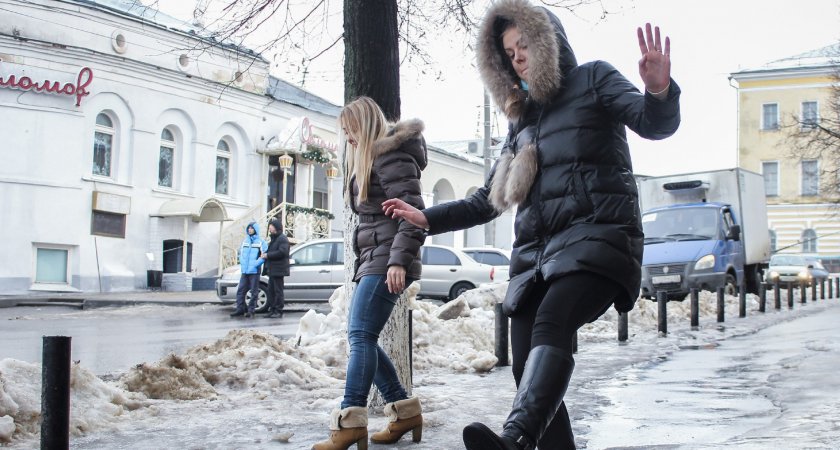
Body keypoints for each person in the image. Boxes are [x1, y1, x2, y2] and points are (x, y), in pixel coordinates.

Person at [383, 1, 681, 448]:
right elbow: (488, 200)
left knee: (552, 322)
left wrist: (658, 92)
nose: (518, 57)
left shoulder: (593, 79)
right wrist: (427, 217)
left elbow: (652, 123)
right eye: (508, 52)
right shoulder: (521, 121)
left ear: (548, 42)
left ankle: (516, 439)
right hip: (535, 261)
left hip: (597, 240)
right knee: (526, 368)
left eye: (524, 44)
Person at [312, 96, 427, 450]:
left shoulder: (391, 157)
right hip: (376, 258)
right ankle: (404, 412)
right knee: (364, 337)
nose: (348, 137)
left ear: (365, 125)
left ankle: (350, 420)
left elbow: (413, 213)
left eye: (351, 130)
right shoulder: (372, 158)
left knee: (360, 336)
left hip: (387, 259)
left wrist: (398, 261)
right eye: (344, 131)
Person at [230, 221, 267, 318]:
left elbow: (263, 256)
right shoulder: (245, 241)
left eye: (252, 228)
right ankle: (240, 309)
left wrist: (255, 264)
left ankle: (251, 310)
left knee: (254, 292)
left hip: (254, 271)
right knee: (241, 290)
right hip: (245, 271)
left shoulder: (261, 242)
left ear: (255, 230)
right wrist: (242, 263)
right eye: (249, 228)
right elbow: (240, 253)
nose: (250, 230)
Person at [260, 218, 290, 319]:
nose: (270, 228)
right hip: (272, 270)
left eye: (271, 226)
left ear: (276, 227)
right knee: (271, 291)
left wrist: (268, 255)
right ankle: (272, 309)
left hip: (279, 270)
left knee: (278, 291)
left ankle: (278, 310)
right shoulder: (274, 239)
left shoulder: (282, 239)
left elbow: (282, 252)